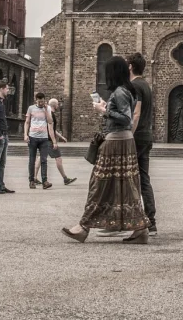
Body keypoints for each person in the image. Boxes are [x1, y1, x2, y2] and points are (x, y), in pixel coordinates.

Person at [62, 56, 149, 244]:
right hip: (124, 141)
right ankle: (140, 229)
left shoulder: (119, 92)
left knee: (98, 183)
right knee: (127, 186)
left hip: (116, 142)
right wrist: (106, 106)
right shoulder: (127, 90)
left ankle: (83, 227)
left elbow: (126, 118)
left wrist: (104, 111)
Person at [128, 53, 157, 233]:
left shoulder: (134, 86)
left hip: (137, 136)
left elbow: (136, 114)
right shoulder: (146, 85)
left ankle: (132, 221)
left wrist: (130, 134)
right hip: (146, 135)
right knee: (144, 179)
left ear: (130, 66)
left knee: (128, 178)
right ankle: (151, 221)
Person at [33, 99, 76, 186]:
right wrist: (54, 142)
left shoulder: (47, 114)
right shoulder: (51, 114)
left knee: (40, 158)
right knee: (58, 158)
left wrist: (61, 137)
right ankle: (65, 179)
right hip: (48, 140)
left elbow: (52, 129)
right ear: (55, 105)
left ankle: (34, 178)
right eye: (58, 104)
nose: (58, 105)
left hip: (43, 139)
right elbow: (51, 130)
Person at [25, 92, 56, 189]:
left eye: (42, 101)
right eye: (39, 101)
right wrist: (25, 135)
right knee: (32, 160)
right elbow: (27, 122)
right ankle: (31, 181)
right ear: (36, 100)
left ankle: (45, 181)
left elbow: (50, 121)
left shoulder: (48, 108)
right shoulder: (31, 108)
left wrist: (46, 110)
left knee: (44, 160)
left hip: (44, 138)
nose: (41, 103)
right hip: (33, 137)